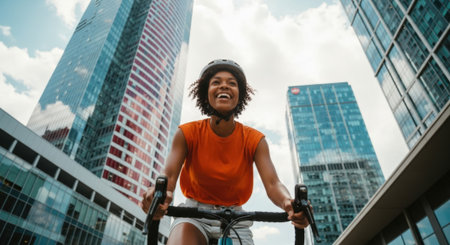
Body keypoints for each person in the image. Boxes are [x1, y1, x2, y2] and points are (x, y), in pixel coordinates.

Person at [141, 59, 309, 244]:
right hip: (193, 214)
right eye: (216, 82)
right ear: (206, 95)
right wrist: (159, 194)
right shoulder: (187, 133)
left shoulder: (255, 140)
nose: (224, 86)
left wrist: (288, 203)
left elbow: (273, 183)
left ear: (240, 96)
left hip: (236, 218)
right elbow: (169, 177)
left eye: (232, 83)